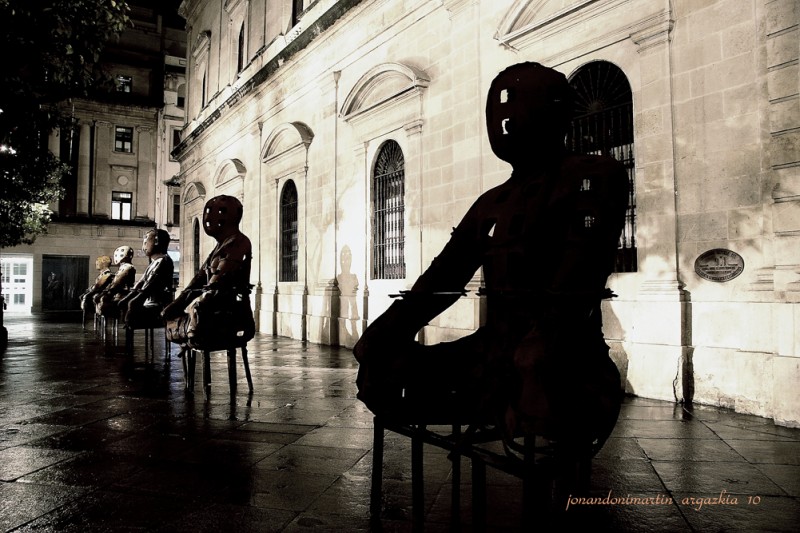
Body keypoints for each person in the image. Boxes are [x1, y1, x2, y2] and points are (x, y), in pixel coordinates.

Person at [353, 62, 629, 452]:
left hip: (563, 358)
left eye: (517, 101)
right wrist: (387, 330)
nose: (504, 118)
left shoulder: (595, 174)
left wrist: (541, 342)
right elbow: (443, 277)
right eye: (499, 104)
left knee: (536, 377)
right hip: (492, 349)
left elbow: (582, 269)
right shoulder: (492, 202)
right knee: (385, 369)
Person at [162, 195, 254, 348]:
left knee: (196, 314)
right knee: (174, 316)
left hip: (232, 312)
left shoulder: (239, 242)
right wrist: (176, 305)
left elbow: (216, 282)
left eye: (217, 212)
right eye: (208, 212)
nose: (208, 218)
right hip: (215, 307)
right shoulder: (219, 247)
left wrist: (198, 304)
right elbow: (198, 280)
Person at [119, 229, 174, 329]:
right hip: (149, 303)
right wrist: (127, 298)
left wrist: (134, 301)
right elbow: (141, 283)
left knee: (132, 305)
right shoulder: (154, 262)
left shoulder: (163, 261)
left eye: (146, 242)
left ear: (156, 241)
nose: (143, 247)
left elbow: (150, 285)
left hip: (158, 306)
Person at [95, 245, 136, 319]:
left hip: (122, 294)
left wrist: (108, 293)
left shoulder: (126, 267)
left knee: (103, 300)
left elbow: (117, 283)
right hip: (121, 293)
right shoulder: (126, 267)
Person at [79, 255, 113, 327]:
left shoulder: (107, 274)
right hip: (98, 293)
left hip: (102, 295)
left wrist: (90, 290)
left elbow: (98, 286)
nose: (96, 265)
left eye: (98, 263)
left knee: (87, 297)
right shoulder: (101, 274)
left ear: (104, 264)